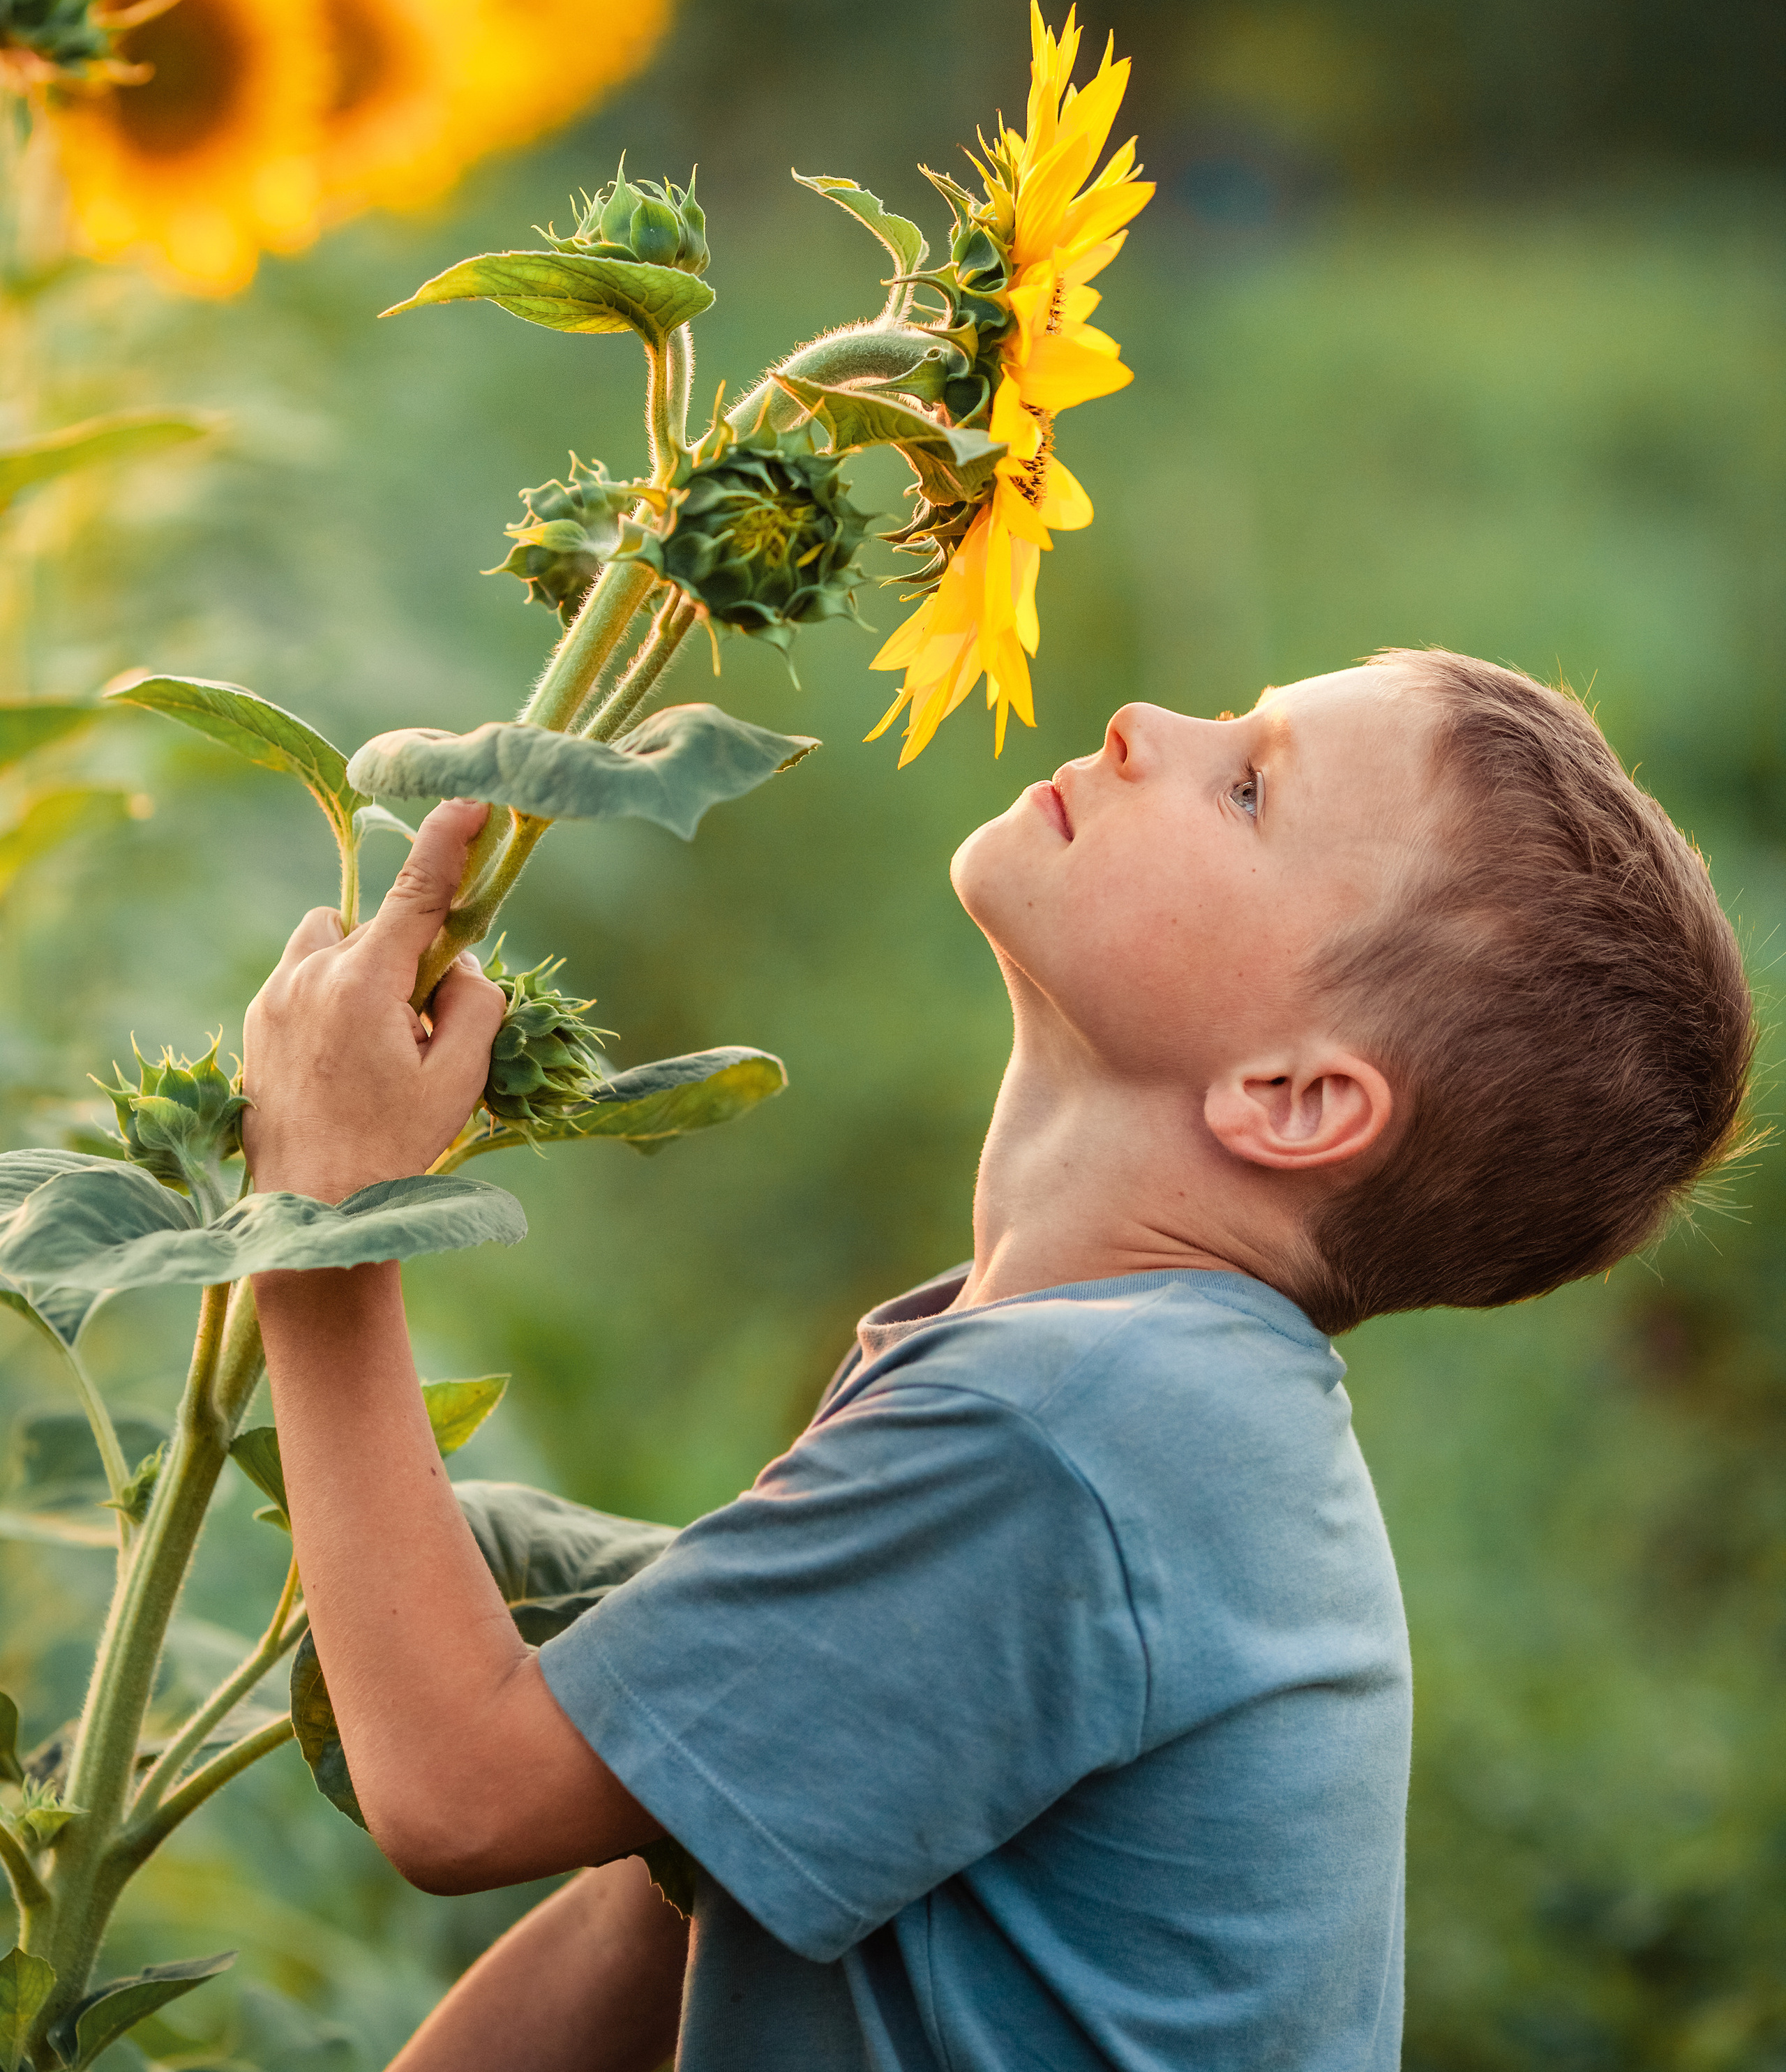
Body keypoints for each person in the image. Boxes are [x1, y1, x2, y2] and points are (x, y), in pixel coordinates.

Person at [242, 650, 1753, 2072]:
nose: (1143, 722)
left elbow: (456, 1790)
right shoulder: (1114, 1391)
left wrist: (322, 1219)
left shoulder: (1076, 1435)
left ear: (1290, 1099)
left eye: (1246, 789)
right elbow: (685, 1876)